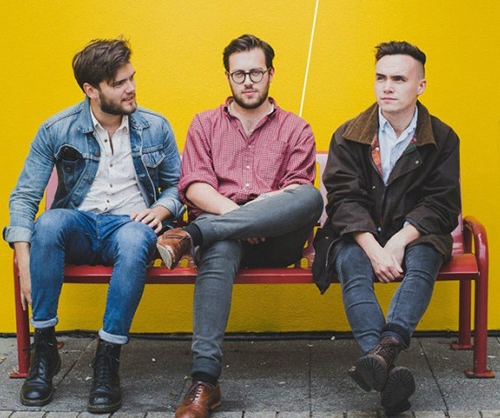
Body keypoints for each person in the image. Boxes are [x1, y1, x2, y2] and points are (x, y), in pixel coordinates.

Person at [4, 38, 183, 413]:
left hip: (129, 226)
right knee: (48, 224)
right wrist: (23, 259)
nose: (131, 88)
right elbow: (24, 196)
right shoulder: (57, 129)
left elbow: (178, 186)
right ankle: (44, 350)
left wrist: (162, 209)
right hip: (79, 227)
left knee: (136, 239)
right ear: (91, 90)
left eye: (131, 78)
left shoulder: (155, 127)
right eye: (119, 83)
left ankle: (107, 360)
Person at [156, 34, 323, 418]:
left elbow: (296, 194)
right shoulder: (204, 124)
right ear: (228, 77)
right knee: (221, 244)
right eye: (239, 74)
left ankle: (191, 235)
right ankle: (204, 382)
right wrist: (240, 219)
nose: (248, 82)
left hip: (276, 241)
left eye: (256, 73)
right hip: (222, 238)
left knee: (311, 197)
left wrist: (258, 215)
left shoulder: (297, 128)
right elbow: (194, 186)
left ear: (271, 73)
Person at [312, 41, 460, 415]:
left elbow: (442, 203)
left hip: (415, 234)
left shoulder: (442, 138)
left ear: (420, 86)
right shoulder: (349, 134)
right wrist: (374, 248)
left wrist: (399, 241)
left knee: (426, 255)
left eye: (398, 79)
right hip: (358, 234)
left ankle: (386, 347)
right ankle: (385, 364)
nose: (387, 87)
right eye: (381, 78)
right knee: (351, 261)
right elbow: (343, 199)